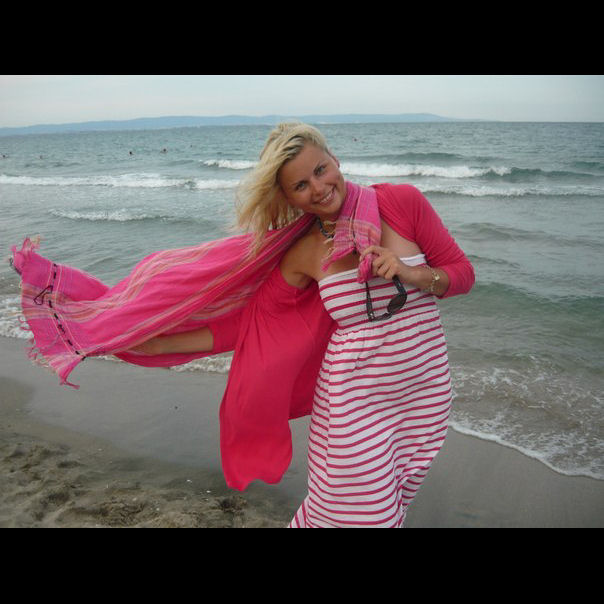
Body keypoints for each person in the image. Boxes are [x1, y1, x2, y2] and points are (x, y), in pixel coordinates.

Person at [130, 122, 475, 527]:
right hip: (352, 405)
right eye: (300, 185)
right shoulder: (305, 251)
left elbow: (462, 274)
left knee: (385, 509)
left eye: (321, 169)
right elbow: (255, 324)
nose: (319, 188)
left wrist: (412, 274)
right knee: (365, 517)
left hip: (424, 395)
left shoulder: (402, 203)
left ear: (335, 159)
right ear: (288, 197)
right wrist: (160, 345)